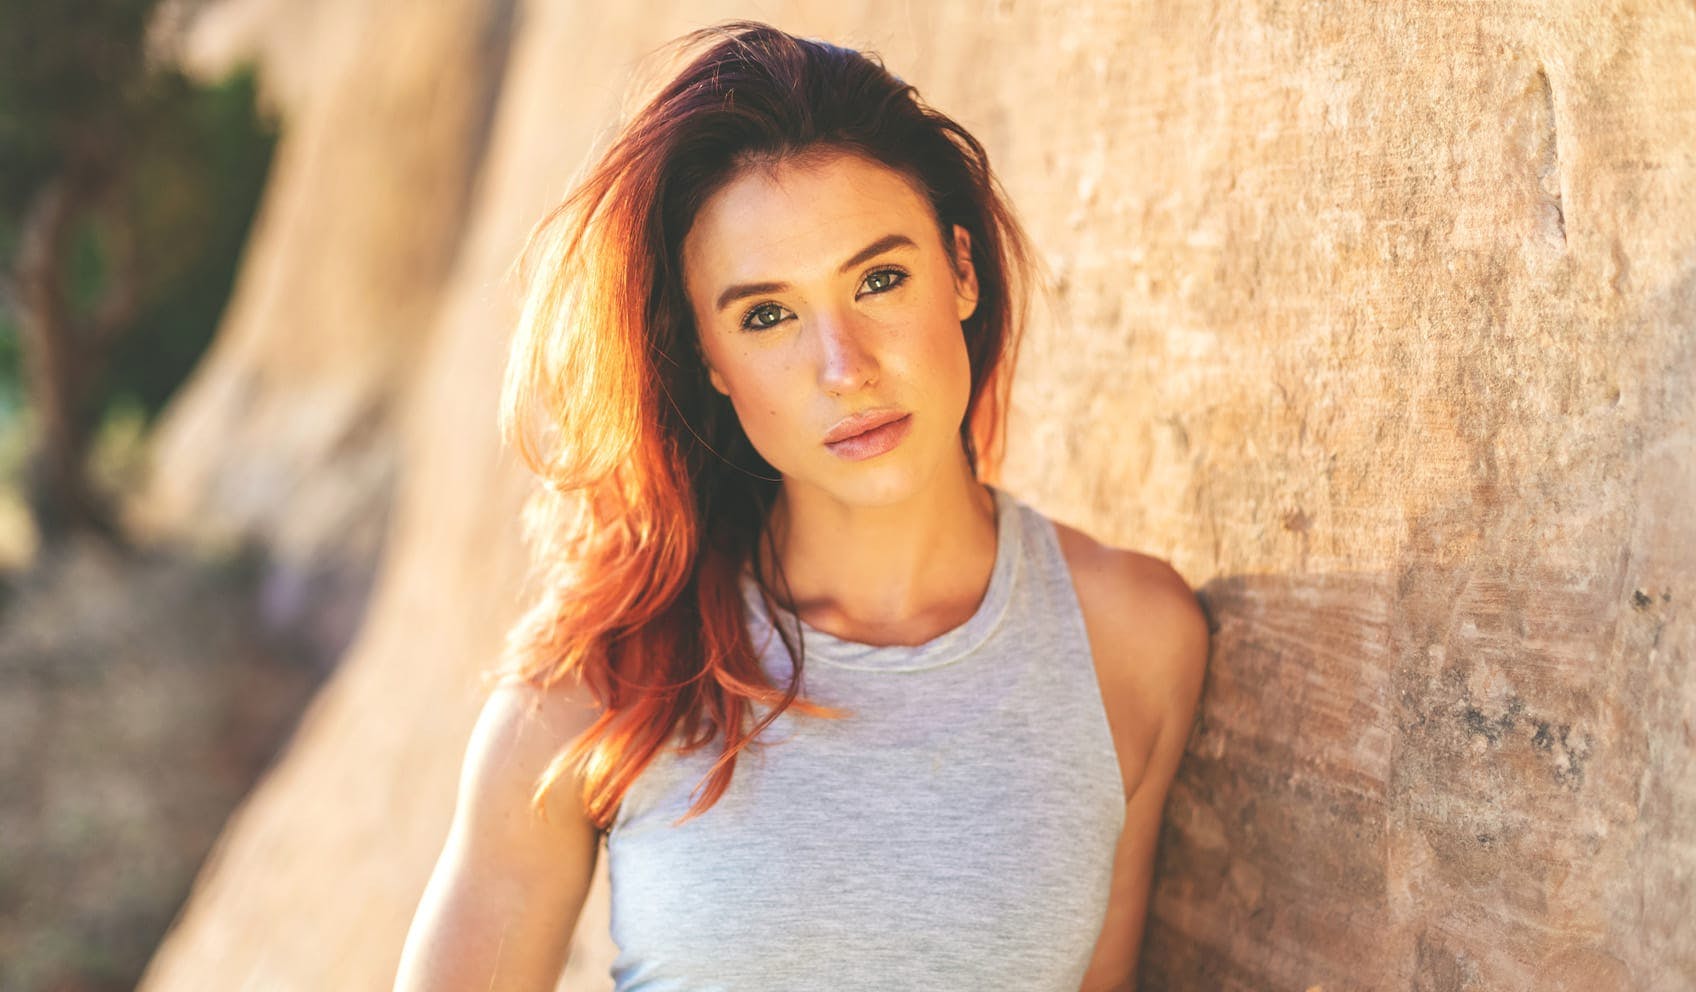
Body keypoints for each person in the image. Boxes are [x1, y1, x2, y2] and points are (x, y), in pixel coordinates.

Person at [394, 19, 1209, 992]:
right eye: (767, 314)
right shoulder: (601, 675)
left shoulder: (1130, 639)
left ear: (960, 269)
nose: (844, 367)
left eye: (879, 278)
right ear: (709, 358)